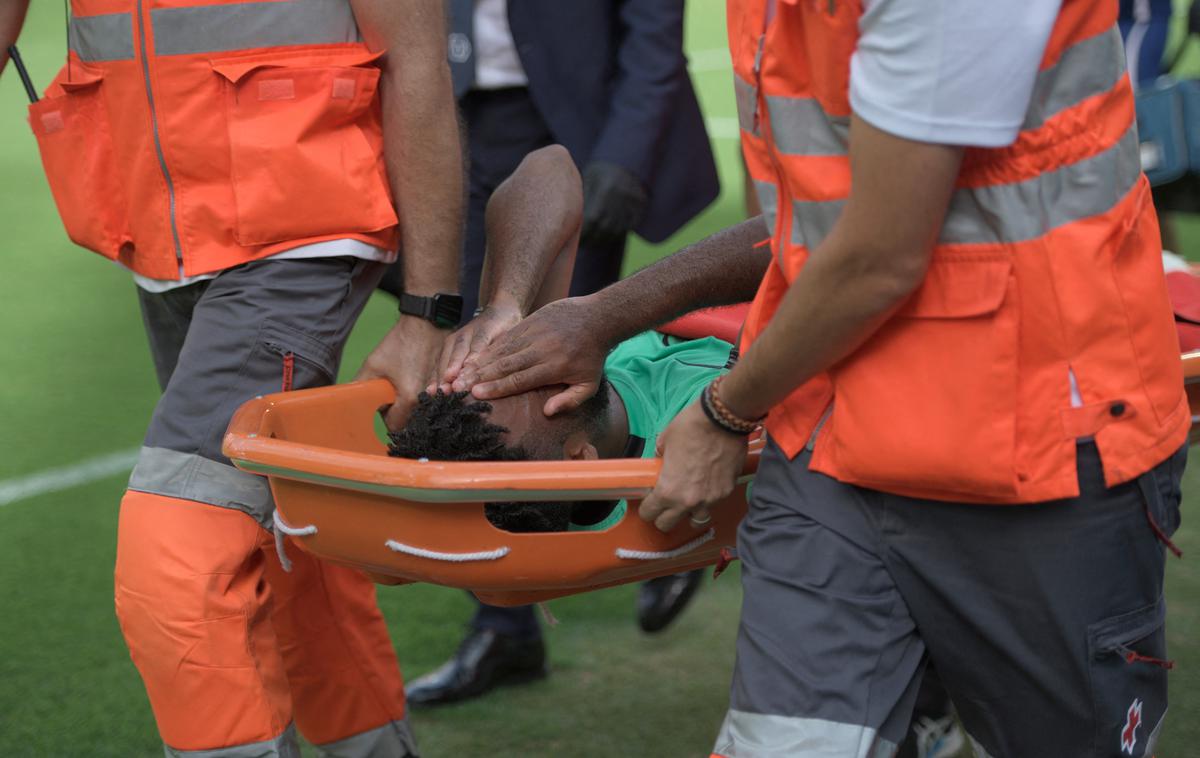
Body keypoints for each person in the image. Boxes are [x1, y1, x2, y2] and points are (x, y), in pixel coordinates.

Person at [459, 1, 1190, 755]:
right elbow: (798, 228)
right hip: (825, 431)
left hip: (1033, 435)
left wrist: (721, 407)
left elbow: (878, 252)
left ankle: (929, 699)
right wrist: (543, 313)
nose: (492, 381)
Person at [4, 2, 464, 756]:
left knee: (179, 552)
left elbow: (417, 59)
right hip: (156, 233)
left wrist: (427, 311)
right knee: (289, 532)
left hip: (304, 227)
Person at [399, 143, 767, 706]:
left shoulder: (551, 414)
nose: (495, 371)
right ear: (580, 464)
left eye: (472, 385)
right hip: (777, 311)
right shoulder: (687, 441)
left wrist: (503, 305)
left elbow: (549, 166)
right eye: (506, 390)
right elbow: (794, 244)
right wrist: (602, 317)